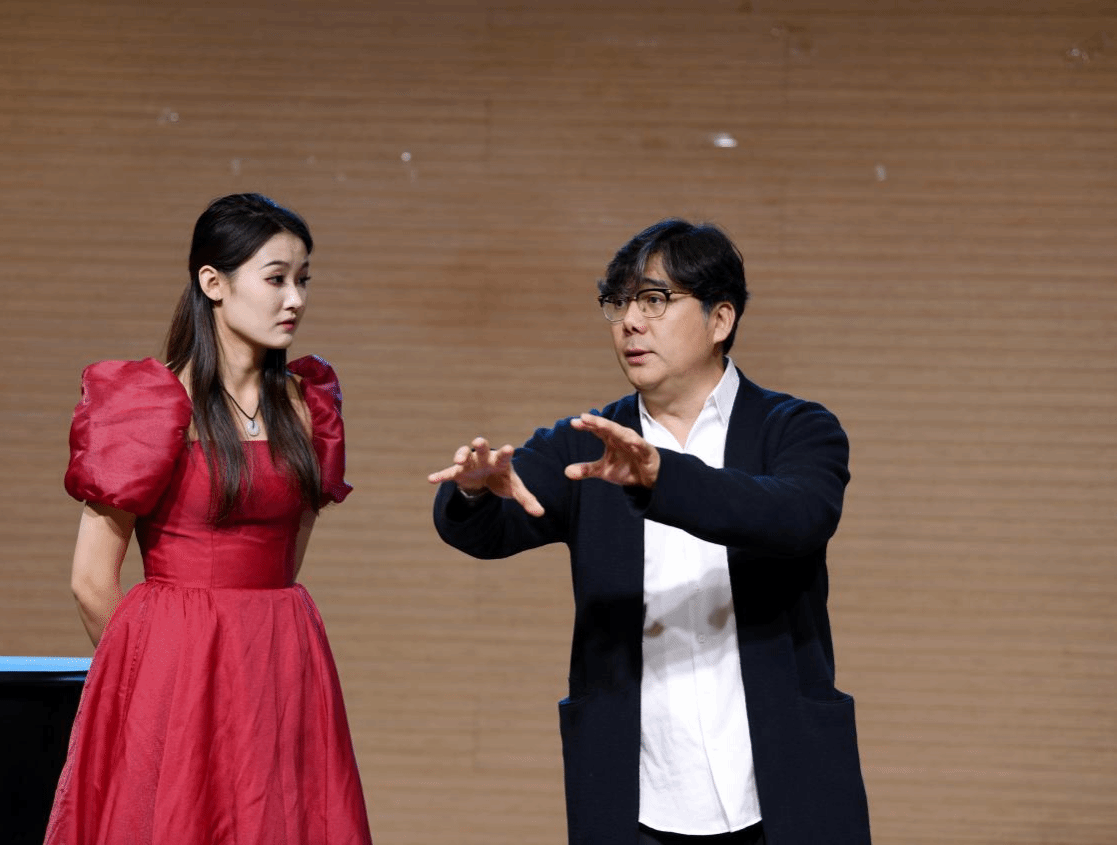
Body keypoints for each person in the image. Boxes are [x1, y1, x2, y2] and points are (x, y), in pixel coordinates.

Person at [429, 219, 871, 845]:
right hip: (639, 795)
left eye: (655, 300)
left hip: (780, 783)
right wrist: (475, 490)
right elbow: (491, 528)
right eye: (618, 303)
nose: (630, 322)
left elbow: (798, 516)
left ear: (720, 319)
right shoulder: (586, 444)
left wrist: (661, 477)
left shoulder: (795, 428)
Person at [45, 193, 371, 844]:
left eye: (304, 280)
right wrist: (156, 682)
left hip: (278, 658)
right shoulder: (150, 404)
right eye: (276, 279)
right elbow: (90, 580)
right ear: (213, 283)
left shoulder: (308, 406)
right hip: (177, 667)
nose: (296, 299)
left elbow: (286, 556)